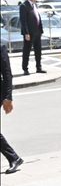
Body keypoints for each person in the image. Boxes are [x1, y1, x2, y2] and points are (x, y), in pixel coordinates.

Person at [1, 44, 24, 174]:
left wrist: (8, 97)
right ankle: (14, 158)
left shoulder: (0, 47)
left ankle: (13, 157)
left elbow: (7, 74)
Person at [19, 0, 45, 75]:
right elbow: (23, 21)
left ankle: (39, 67)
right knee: (27, 50)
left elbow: (38, 17)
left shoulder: (34, 5)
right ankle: (25, 68)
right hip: (29, 32)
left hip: (37, 31)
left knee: (38, 50)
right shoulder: (24, 6)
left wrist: (40, 30)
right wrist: (26, 33)